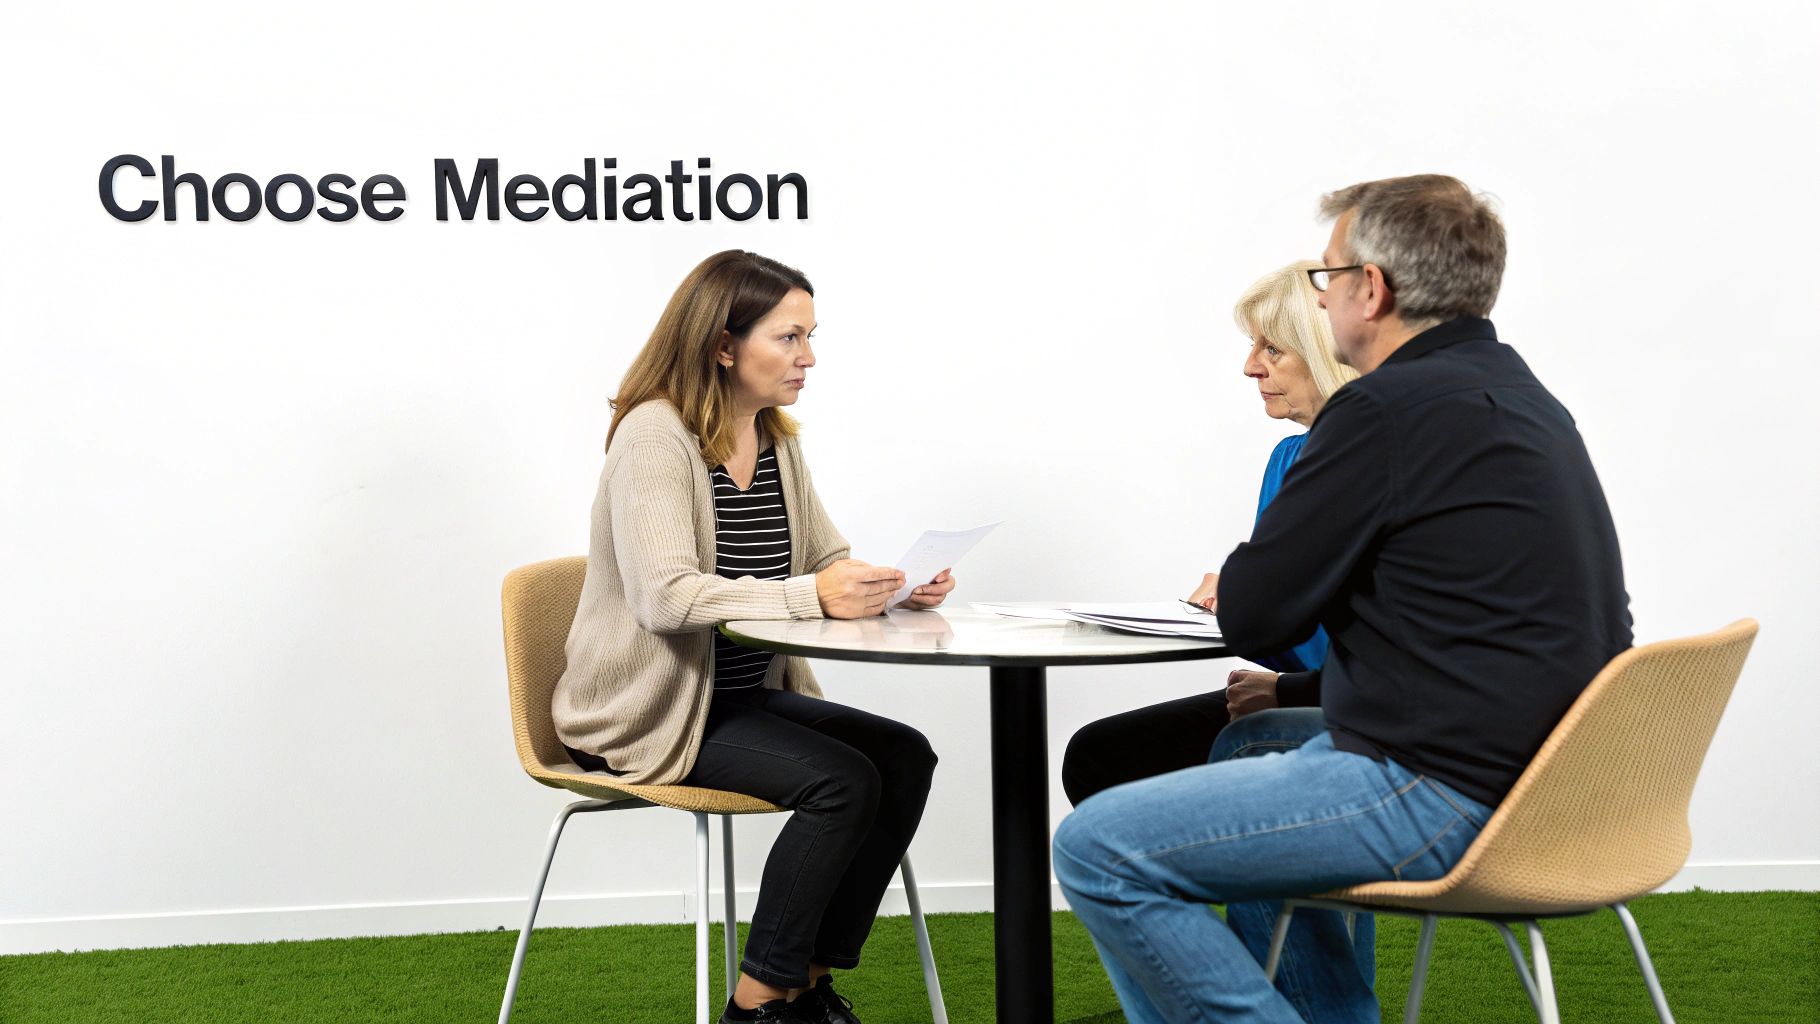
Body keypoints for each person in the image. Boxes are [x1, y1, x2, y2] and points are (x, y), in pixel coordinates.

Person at [1053, 175, 1633, 1023]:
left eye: (1327, 280)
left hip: (1443, 788)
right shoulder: (1526, 398)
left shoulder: (1383, 411)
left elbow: (1256, 616)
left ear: (1373, 288)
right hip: (1559, 780)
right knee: (1251, 741)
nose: (1322, 303)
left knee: (1099, 847)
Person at [553, 250, 957, 1024]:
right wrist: (814, 595)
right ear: (723, 344)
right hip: (651, 711)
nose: (809, 357)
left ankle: (803, 979)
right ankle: (758, 1004)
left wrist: (892, 588)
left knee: (903, 755)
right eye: (790, 337)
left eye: (810, 336)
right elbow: (664, 597)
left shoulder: (775, 439)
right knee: (841, 782)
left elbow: (823, 559)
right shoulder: (655, 437)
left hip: (741, 698)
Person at [1060, 261, 1359, 808]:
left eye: (1273, 350)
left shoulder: (1360, 459)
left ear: (1325, 351)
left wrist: (1261, 613)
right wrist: (1244, 587)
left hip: (1360, 712)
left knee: (1109, 756)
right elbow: (1282, 621)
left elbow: (1302, 623)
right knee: (1100, 752)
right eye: (1253, 347)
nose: (1250, 367)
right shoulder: (1290, 457)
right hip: (1315, 690)